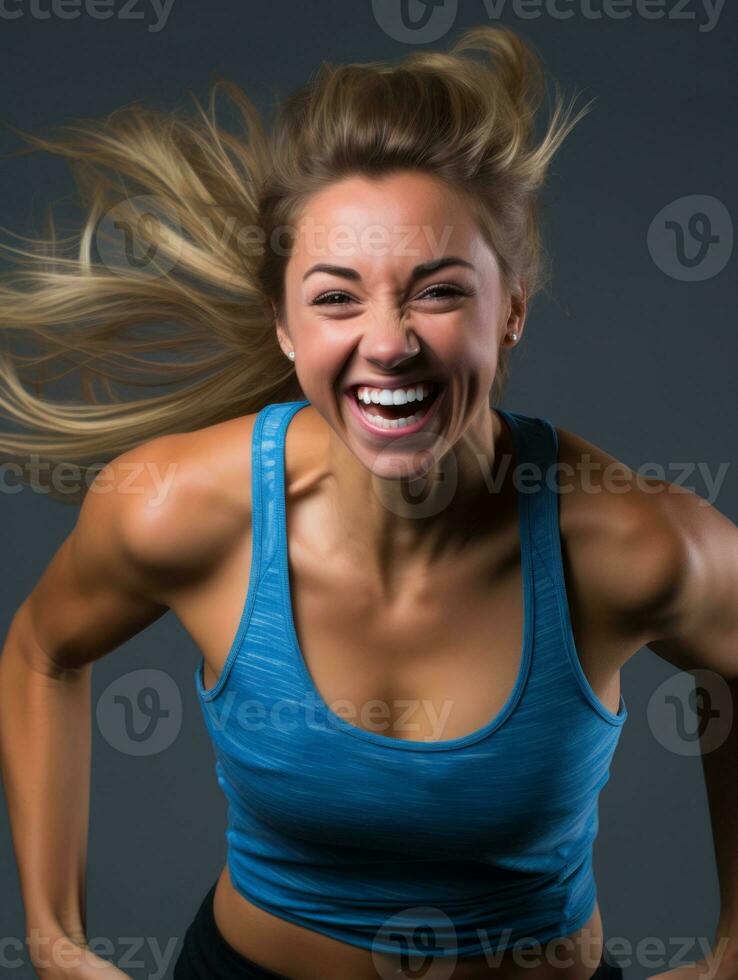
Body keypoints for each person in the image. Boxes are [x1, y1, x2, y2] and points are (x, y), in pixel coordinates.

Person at [1, 24, 737, 980]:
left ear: (509, 308)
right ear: (283, 321)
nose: (388, 344)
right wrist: (56, 943)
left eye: (435, 291)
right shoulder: (178, 509)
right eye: (337, 298)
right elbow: (40, 655)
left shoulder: (634, 545)